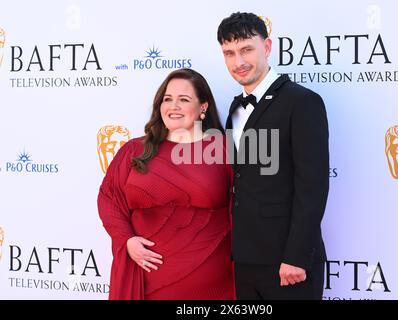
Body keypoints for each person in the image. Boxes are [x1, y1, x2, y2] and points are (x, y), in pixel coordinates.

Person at [217, 12, 329, 299]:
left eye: (246, 50)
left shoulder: (302, 102)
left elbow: (313, 186)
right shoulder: (234, 110)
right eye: (229, 53)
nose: (238, 62)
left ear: (266, 47)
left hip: (288, 263)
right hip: (245, 260)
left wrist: (296, 256)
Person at [97, 68, 234, 300]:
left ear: (203, 107)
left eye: (184, 99)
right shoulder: (134, 150)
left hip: (210, 282)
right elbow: (109, 198)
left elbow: (247, 205)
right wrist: (126, 240)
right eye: (167, 99)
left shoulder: (224, 150)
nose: (173, 106)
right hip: (145, 276)